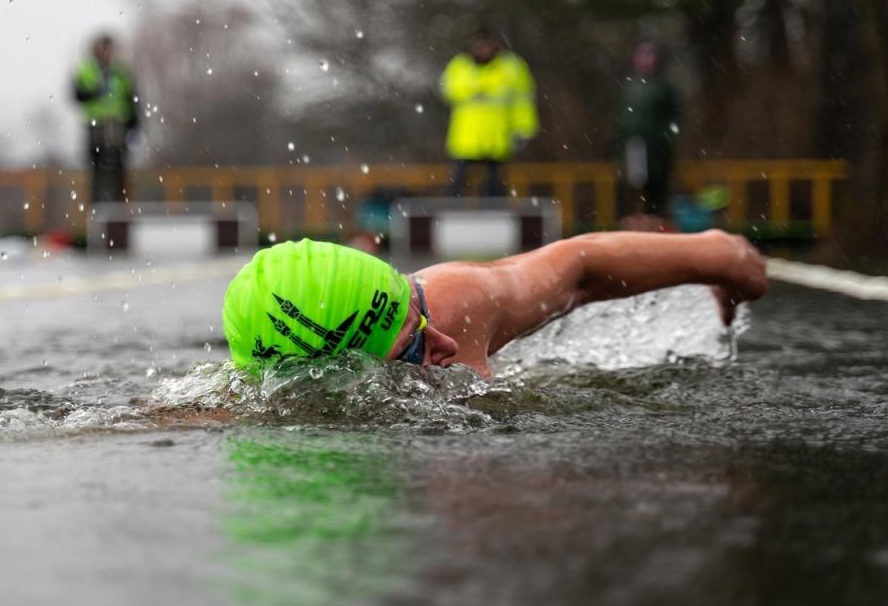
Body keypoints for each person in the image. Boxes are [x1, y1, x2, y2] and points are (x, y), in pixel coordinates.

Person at [222, 231, 767, 378]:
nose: (448, 344)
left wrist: (717, 258)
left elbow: (576, 266)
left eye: (421, 315)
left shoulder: (456, 304)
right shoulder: (251, 402)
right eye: (413, 347)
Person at [440, 28, 538, 197]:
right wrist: (473, 92)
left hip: (498, 137)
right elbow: (447, 90)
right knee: (458, 181)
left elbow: (523, 100)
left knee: (495, 183)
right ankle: (453, 211)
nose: (483, 49)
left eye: (486, 45)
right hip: (466, 137)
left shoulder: (511, 67)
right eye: (479, 45)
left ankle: (494, 212)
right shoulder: (460, 66)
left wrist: (524, 128)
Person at [615, 42, 681, 225]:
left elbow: (673, 116)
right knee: (631, 186)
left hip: (656, 149)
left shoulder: (664, 86)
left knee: (656, 187)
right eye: (641, 55)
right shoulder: (632, 85)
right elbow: (625, 117)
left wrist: (664, 138)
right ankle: (631, 222)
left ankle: (654, 222)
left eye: (649, 55)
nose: (644, 60)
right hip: (634, 146)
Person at [72, 34, 139, 203]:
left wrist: (134, 120)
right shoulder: (86, 70)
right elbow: (77, 95)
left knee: (119, 169)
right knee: (96, 170)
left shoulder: (120, 71)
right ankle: (96, 208)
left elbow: (131, 96)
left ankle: (120, 208)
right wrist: (95, 92)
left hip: (117, 125)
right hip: (96, 126)